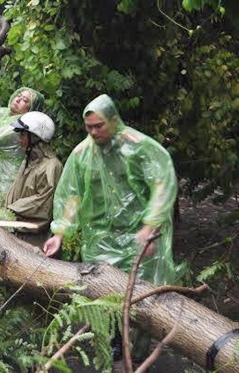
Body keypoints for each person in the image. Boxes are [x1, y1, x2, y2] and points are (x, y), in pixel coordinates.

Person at [43, 94, 182, 285]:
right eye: (89, 126)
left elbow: (161, 183)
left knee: (143, 297)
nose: (93, 132)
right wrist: (59, 234)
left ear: (114, 120)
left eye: (99, 125)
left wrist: (151, 225)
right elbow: (71, 195)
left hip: (138, 238)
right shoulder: (82, 155)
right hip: (98, 242)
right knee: (102, 295)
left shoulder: (137, 147)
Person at [4, 111, 63, 232]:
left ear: (35, 137)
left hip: (33, 234)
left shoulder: (51, 166)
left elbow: (42, 202)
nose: (19, 138)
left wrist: (11, 210)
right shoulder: (29, 160)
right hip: (15, 225)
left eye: (23, 135)